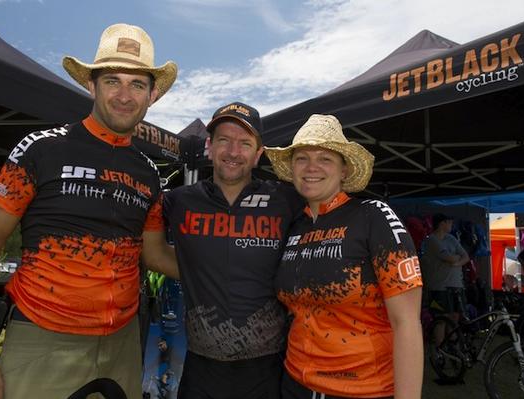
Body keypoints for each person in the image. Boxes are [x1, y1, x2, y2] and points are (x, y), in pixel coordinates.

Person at [0, 23, 178, 399]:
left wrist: (223, 268)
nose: (125, 95)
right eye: (112, 81)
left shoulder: (148, 172)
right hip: (43, 338)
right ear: (91, 86)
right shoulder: (41, 149)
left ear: (152, 95)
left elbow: (154, 253)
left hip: (122, 344)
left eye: (137, 84)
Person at [264, 114, 423, 399]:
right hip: (294, 383)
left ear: (344, 170)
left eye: (325, 158)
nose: (311, 167)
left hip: (363, 389)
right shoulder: (293, 226)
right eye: (302, 158)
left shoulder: (373, 215)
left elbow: (407, 322)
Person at [156, 102, 304, 399]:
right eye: (224, 140)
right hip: (200, 367)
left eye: (245, 143)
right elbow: (150, 250)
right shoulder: (178, 201)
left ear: (259, 153)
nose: (233, 152)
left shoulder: (287, 199)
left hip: (268, 368)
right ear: (210, 146)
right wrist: (196, 272)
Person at [421, 213, 470, 323]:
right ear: (442, 223)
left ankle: (453, 340)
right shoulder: (432, 240)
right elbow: (449, 258)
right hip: (440, 287)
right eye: (450, 222)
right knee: (441, 319)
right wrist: (457, 258)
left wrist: (457, 263)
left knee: (455, 317)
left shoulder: (451, 238)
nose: (452, 225)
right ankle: (441, 340)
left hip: (456, 285)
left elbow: (466, 256)